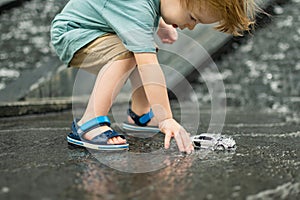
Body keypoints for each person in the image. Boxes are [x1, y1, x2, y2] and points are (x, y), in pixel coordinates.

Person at [51, 0, 258, 153]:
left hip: (95, 30)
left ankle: (140, 116)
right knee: (132, 55)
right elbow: (148, 65)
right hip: (74, 34)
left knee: (143, 51)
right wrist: (166, 118)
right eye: (193, 18)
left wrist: (163, 24)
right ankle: (89, 123)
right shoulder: (136, 5)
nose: (191, 26)